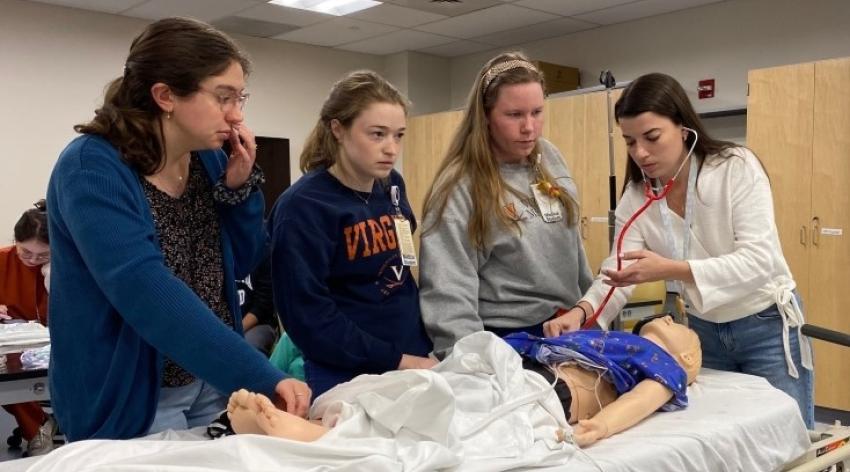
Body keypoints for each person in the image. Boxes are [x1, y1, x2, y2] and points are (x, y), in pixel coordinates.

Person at [46, 17, 310, 442]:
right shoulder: (92, 167)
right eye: (223, 97)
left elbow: (243, 262)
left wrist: (240, 192)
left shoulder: (208, 159)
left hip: (208, 375)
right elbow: (145, 291)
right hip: (132, 392)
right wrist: (259, 371)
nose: (237, 115)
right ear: (165, 95)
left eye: (240, 98)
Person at [543, 72, 814, 428]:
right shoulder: (638, 195)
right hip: (704, 329)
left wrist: (670, 269)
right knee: (725, 437)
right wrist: (582, 312)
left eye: (652, 137)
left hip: (763, 325)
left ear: (684, 128)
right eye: (629, 141)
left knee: (785, 436)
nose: (640, 152)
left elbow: (760, 261)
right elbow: (619, 270)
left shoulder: (734, 167)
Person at [226, 315, 701, 448]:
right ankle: (331, 416)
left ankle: (323, 438)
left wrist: (597, 429)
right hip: (508, 364)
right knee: (402, 384)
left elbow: (643, 399)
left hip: (542, 394)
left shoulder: (664, 364)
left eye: (675, 327)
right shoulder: (613, 339)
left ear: (686, 358)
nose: (661, 320)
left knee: (446, 413)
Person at [268, 71, 434, 399]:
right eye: (377, 134)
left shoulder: (392, 185)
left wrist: (416, 353)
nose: (391, 148)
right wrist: (396, 360)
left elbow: (400, 275)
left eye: (398, 135)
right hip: (346, 374)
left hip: (410, 358)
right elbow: (310, 318)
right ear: (338, 130)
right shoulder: (303, 207)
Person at [418, 51, 593, 359]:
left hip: (566, 328)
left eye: (537, 112)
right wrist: (472, 365)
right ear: (485, 115)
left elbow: (572, 245)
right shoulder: (460, 185)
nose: (529, 127)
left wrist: (589, 308)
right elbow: (449, 290)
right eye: (514, 115)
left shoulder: (548, 157)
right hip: (507, 341)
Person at [0, 200, 55, 456]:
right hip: (13, 346)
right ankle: (38, 428)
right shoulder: (2, 260)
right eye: (25, 252)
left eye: (42, 254)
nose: (32, 260)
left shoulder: (66, 265)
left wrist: (51, 274)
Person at [237, 251, 278, 356]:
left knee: (247, 350)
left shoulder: (264, 252)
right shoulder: (220, 251)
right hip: (224, 324)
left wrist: (236, 330)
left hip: (258, 324)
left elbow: (262, 306)